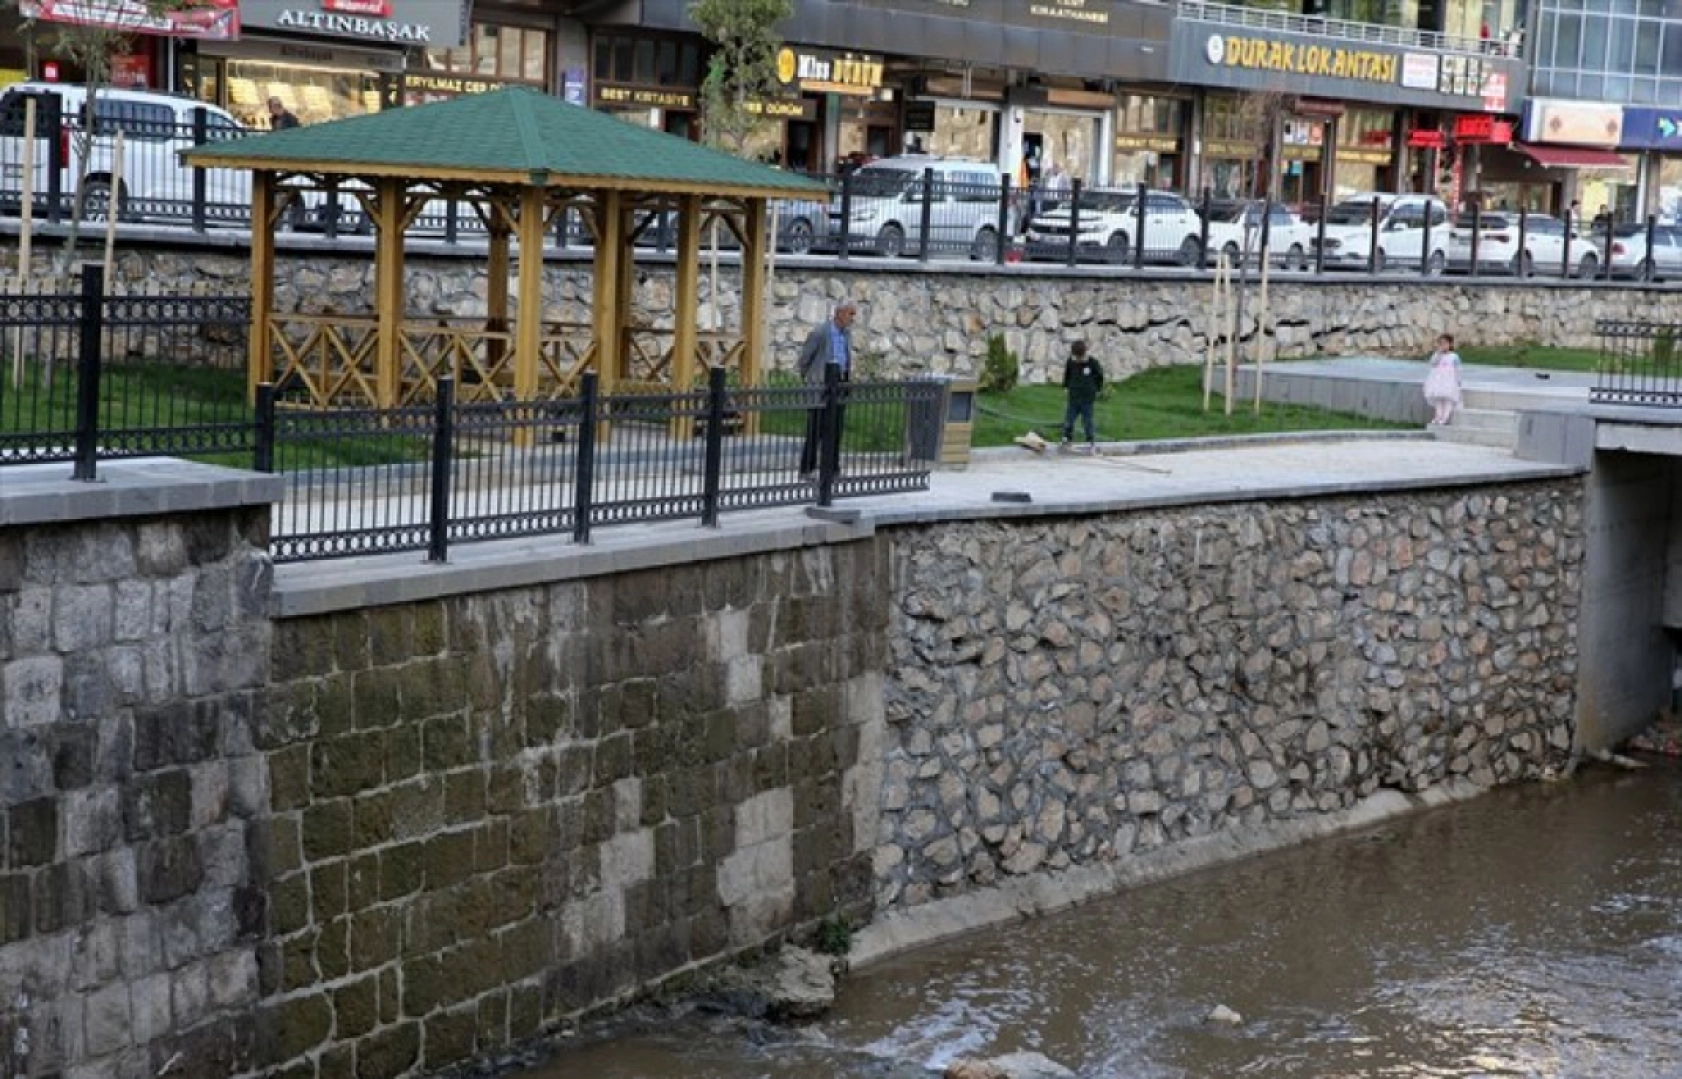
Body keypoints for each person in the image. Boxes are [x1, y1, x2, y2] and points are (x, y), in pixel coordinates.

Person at [798, 301, 856, 480]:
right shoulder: (821, 333)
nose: (852, 319)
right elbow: (805, 359)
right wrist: (811, 378)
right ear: (839, 313)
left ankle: (832, 467)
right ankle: (807, 468)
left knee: (835, 428)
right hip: (821, 384)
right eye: (850, 314)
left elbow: (846, 357)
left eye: (853, 314)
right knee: (815, 428)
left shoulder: (846, 335)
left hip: (839, 383)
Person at [1060, 340, 1104, 450]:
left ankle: (1090, 440)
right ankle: (1066, 438)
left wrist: (1097, 389)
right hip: (1074, 396)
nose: (1078, 360)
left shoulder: (1092, 363)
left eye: (1080, 357)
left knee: (1087, 420)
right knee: (1069, 419)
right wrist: (1065, 386)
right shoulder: (1071, 362)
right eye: (1076, 357)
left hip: (1087, 397)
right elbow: (1067, 374)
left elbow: (1099, 376)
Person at [1423, 333, 1462, 427]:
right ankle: (1438, 416)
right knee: (1438, 399)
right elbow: (1432, 363)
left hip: (1449, 380)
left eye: (1445, 343)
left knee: (1448, 399)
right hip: (1438, 380)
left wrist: (1458, 379)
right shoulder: (1437, 355)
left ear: (1450, 344)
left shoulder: (1454, 356)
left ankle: (1445, 418)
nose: (1443, 346)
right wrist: (1438, 354)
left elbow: (1458, 369)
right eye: (1441, 343)